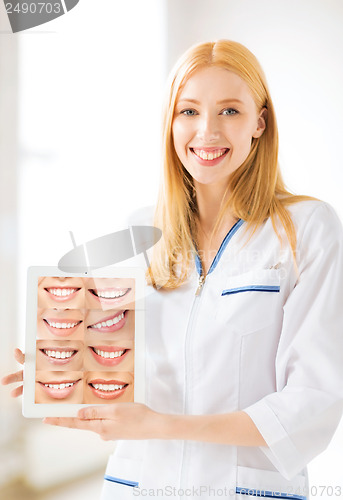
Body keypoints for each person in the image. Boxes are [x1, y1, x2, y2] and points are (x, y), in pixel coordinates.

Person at [2, 40, 343, 499]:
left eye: (229, 111)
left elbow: (311, 402)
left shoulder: (305, 229)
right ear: (170, 121)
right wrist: (68, 372)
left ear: (259, 122)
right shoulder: (140, 230)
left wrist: (163, 426)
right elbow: (126, 367)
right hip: (142, 485)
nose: (207, 131)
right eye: (188, 111)